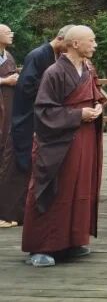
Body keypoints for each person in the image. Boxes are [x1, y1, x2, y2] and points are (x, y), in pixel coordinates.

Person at [21, 25, 105, 267]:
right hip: (60, 143)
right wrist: (77, 115)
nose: (95, 44)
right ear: (75, 44)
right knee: (55, 188)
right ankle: (42, 247)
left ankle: (72, 240)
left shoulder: (88, 68)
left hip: (85, 139)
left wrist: (98, 107)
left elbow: (96, 94)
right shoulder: (54, 72)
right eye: (91, 40)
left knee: (79, 188)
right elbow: (44, 111)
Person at [3, 26, 69, 226]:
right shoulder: (38, 55)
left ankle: (22, 212)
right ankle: (7, 213)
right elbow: (27, 86)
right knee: (15, 164)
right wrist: (53, 84)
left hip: (37, 116)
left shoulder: (54, 55)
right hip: (24, 116)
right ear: (60, 38)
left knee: (30, 164)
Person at [0, 24, 21, 227]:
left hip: (8, 111)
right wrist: (5, 81)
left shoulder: (8, 56)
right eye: (7, 32)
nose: (11, 34)